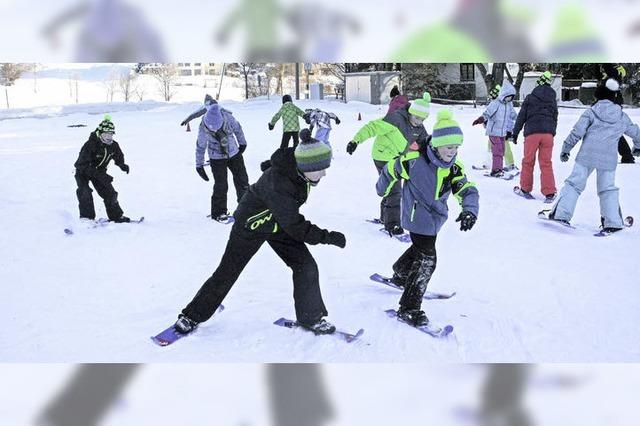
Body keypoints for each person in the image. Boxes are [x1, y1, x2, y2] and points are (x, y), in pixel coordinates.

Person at [174, 129, 345, 335]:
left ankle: (311, 318)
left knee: (306, 266)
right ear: (307, 166)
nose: (324, 173)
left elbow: (286, 210)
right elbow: (296, 226)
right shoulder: (281, 185)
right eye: (320, 169)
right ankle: (191, 316)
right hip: (251, 225)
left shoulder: (299, 168)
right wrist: (327, 237)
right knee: (228, 271)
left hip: (278, 223)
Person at [376, 109, 479, 325]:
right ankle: (409, 308)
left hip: (435, 218)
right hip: (416, 215)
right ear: (436, 144)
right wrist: (382, 188)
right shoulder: (414, 160)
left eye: (456, 147)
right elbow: (391, 169)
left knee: (419, 249)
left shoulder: (454, 168)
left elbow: (466, 189)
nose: (453, 152)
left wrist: (469, 210)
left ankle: (401, 273)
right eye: (449, 147)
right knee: (427, 260)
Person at [549, 76, 640, 232]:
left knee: (574, 184)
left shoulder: (591, 112)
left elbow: (577, 132)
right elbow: (636, 133)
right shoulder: (621, 116)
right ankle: (612, 222)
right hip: (608, 160)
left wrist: (566, 149)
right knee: (607, 188)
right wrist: (637, 147)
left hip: (586, 156)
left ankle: (561, 214)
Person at [347, 92, 431, 235]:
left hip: (397, 158)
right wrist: (355, 141)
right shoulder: (396, 119)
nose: (419, 121)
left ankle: (385, 217)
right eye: (417, 117)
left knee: (390, 187)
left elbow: (425, 143)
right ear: (410, 112)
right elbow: (372, 127)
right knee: (395, 189)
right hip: (382, 156)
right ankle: (392, 225)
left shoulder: (419, 128)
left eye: (422, 119)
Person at [195, 102, 250, 222]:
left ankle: (247, 208)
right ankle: (219, 212)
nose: (213, 129)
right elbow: (201, 145)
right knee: (221, 185)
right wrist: (199, 164)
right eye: (211, 128)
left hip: (233, 152)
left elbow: (238, 129)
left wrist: (242, 143)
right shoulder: (203, 126)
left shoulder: (227, 117)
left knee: (242, 180)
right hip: (216, 157)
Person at [73, 115, 131, 222]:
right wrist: (100, 175)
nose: (109, 137)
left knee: (110, 193)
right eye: (106, 134)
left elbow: (118, 155)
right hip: (83, 172)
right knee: (85, 191)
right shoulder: (90, 145)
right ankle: (87, 218)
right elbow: (81, 165)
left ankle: (116, 216)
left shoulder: (113, 145)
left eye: (111, 134)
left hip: (99, 172)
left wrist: (122, 165)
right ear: (100, 133)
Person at [512, 71, 559, 201]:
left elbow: (521, 117)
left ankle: (525, 189)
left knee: (528, 162)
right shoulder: (552, 100)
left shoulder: (530, 97)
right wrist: (552, 132)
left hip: (532, 133)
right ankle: (549, 192)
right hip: (548, 135)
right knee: (546, 163)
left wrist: (515, 133)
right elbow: (555, 117)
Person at [473, 81, 517, 177]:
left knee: (501, 150)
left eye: (511, 97)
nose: (510, 99)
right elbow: (487, 113)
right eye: (508, 96)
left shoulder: (508, 105)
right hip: (493, 131)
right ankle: (496, 170)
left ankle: (499, 168)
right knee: (497, 150)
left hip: (502, 132)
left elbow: (513, 115)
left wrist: (524, 118)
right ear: (504, 94)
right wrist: (480, 119)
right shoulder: (496, 103)